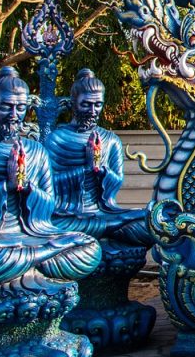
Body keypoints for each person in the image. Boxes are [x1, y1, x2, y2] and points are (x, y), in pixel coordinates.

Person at [0, 67, 101, 296]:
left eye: (20, 108)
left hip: (32, 235)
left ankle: (24, 263)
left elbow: (50, 204)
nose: (14, 114)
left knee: (90, 248)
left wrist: (28, 188)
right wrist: (6, 187)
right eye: (7, 107)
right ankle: (33, 264)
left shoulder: (37, 151)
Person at [45, 69, 152, 246]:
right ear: (73, 103)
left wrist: (101, 171)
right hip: (68, 215)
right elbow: (49, 185)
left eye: (98, 104)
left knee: (147, 224)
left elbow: (117, 181)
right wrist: (85, 170)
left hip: (103, 211)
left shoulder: (110, 140)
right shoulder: (57, 139)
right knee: (56, 228)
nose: (92, 111)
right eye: (86, 104)